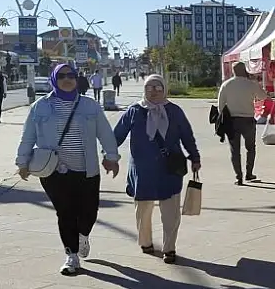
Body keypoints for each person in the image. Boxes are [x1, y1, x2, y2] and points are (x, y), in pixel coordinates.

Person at [16, 63, 121, 275]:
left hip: (86, 169)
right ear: (54, 79)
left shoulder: (90, 105)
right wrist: (22, 162)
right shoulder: (40, 107)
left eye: (71, 75)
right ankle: (71, 255)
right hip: (53, 171)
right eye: (61, 76)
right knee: (65, 212)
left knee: (89, 211)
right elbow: (28, 136)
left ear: (76, 79)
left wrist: (111, 157)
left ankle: (83, 235)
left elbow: (105, 133)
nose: (67, 79)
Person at [113, 75, 201, 264]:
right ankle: (145, 242)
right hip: (143, 170)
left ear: (164, 89)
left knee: (171, 213)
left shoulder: (174, 111)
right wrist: (109, 155)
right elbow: (118, 134)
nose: (154, 91)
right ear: (144, 90)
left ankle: (169, 248)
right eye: (150, 87)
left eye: (158, 87)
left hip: (169, 169)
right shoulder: (134, 111)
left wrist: (195, 157)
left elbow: (187, 135)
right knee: (143, 210)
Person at [217, 62, 268, 185]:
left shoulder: (226, 85)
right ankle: (249, 173)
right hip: (248, 120)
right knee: (250, 148)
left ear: (233, 71)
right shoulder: (251, 84)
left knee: (235, 150)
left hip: (232, 121)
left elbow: (220, 106)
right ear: (244, 70)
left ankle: (238, 177)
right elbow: (263, 96)